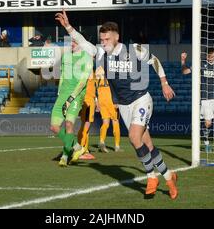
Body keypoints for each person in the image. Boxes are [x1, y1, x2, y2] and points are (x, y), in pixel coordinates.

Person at [55, 10, 178, 200]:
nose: (102, 42)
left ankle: (151, 177)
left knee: (134, 138)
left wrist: (164, 82)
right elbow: (82, 42)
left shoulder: (133, 50)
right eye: (101, 39)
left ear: (116, 37)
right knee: (147, 144)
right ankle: (169, 177)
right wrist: (67, 27)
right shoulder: (101, 53)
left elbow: (154, 60)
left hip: (141, 99)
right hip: (124, 105)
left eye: (106, 39)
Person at [50, 38, 93, 167]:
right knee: (54, 127)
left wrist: (71, 98)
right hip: (62, 95)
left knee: (69, 124)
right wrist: (59, 93)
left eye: (75, 41)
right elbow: (63, 75)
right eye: (70, 42)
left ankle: (65, 156)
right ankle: (77, 147)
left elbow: (83, 81)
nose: (72, 44)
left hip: (76, 96)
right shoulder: (66, 57)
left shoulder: (87, 58)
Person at [181, 50, 214, 153]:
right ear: (206, 55)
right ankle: (207, 144)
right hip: (205, 99)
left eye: (212, 55)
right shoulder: (200, 64)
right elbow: (185, 72)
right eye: (208, 55)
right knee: (207, 123)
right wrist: (183, 61)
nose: (210, 57)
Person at [96, 69, 122, 153]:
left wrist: (97, 102)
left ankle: (102, 140)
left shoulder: (98, 70)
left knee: (105, 122)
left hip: (101, 98)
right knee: (115, 121)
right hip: (110, 98)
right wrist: (117, 101)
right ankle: (117, 146)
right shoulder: (112, 69)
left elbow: (95, 88)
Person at [77, 72, 97, 160]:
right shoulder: (86, 70)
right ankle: (80, 150)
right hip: (88, 101)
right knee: (86, 126)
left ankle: (84, 149)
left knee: (85, 127)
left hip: (88, 100)